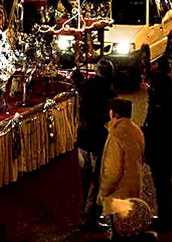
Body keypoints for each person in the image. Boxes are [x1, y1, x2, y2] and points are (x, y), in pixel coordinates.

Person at [75, 61, 117, 232]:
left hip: (83, 139)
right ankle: (89, 218)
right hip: (97, 141)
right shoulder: (109, 92)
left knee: (86, 179)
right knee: (95, 180)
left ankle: (86, 212)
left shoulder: (86, 86)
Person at [141, 61, 172, 233]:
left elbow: (156, 127)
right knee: (163, 185)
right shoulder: (169, 99)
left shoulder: (161, 104)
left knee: (162, 185)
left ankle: (166, 219)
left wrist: (142, 132)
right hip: (166, 148)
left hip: (160, 149)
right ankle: (165, 216)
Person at [99, 98, 145, 222]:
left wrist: (103, 192)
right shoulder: (135, 129)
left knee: (117, 228)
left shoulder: (116, 134)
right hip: (133, 186)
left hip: (118, 193)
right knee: (129, 225)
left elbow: (113, 170)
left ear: (113, 113)